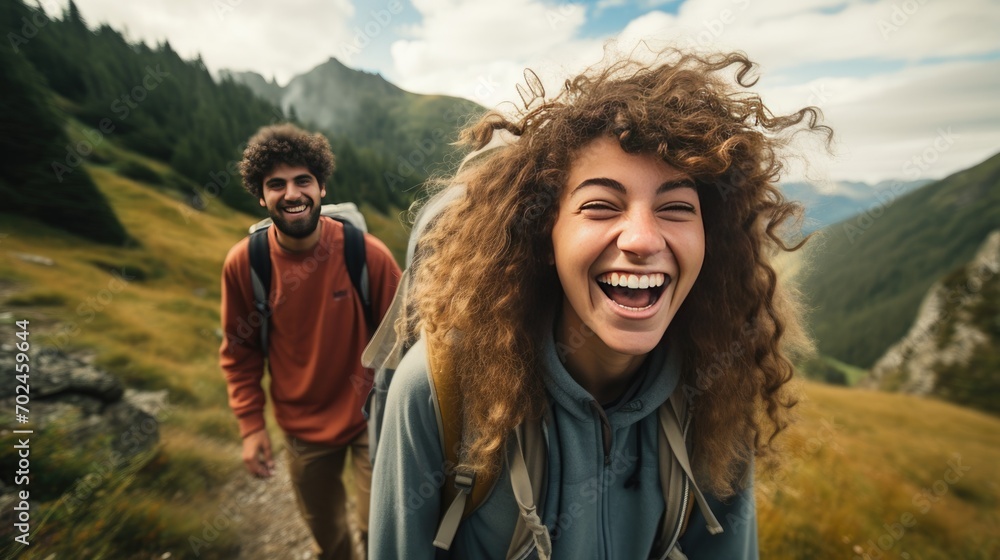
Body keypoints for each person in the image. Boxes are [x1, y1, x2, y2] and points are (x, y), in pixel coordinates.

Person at [369, 49, 828, 559]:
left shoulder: (718, 384)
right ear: (545, 236)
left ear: (709, 239)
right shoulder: (437, 389)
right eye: (600, 206)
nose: (641, 239)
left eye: (676, 207)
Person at [220, 124, 401, 559]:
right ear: (261, 198)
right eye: (276, 184)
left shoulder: (367, 254)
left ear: (321, 187)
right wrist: (251, 426)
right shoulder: (247, 264)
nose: (292, 193)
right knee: (329, 539)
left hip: (369, 417)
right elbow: (239, 353)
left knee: (379, 532)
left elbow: (404, 341)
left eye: (303, 180)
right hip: (301, 429)